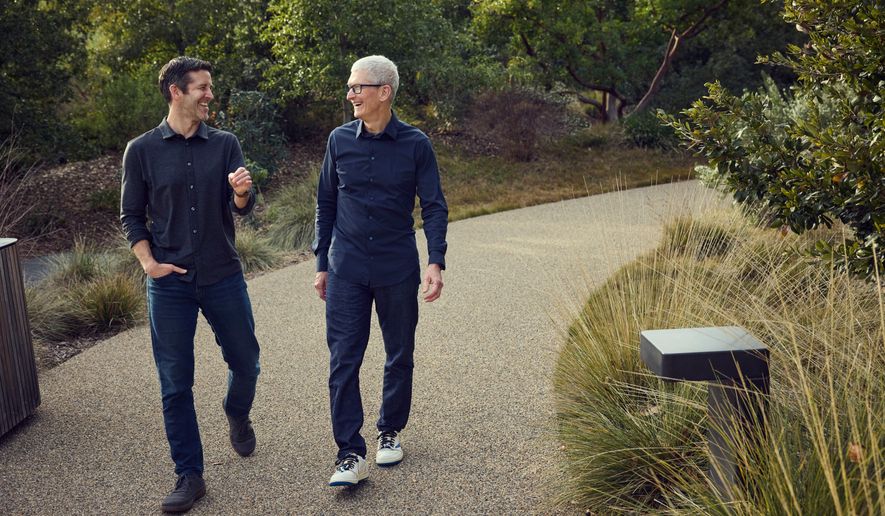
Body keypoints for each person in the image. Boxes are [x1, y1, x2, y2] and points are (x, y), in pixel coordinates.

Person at [120, 56, 261, 513]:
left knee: (247, 362)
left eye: (210, 86)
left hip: (222, 274)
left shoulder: (225, 144)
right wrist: (148, 263)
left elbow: (242, 206)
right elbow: (131, 216)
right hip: (170, 284)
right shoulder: (140, 150)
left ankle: (236, 413)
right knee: (175, 383)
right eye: (202, 87)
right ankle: (190, 474)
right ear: (176, 91)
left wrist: (241, 192)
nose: (210, 95)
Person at [312, 55, 449, 487]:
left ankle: (390, 430)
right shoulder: (338, 141)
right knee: (343, 361)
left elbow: (434, 206)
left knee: (399, 353)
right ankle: (349, 454)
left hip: (396, 267)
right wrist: (321, 265)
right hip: (346, 267)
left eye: (358, 87)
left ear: (383, 92)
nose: (350, 94)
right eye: (350, 87)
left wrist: (435, 261)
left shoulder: (415, 144)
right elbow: (326, 204)